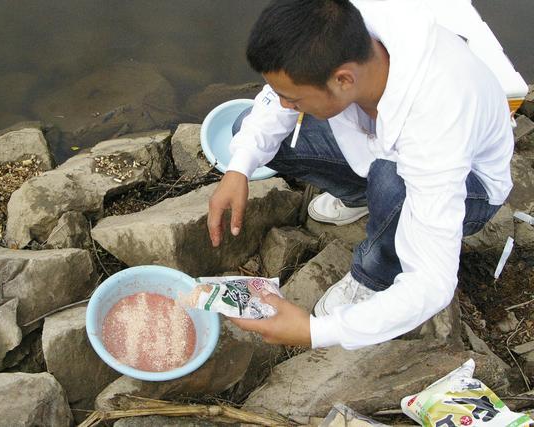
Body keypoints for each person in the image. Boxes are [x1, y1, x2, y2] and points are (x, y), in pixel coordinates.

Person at [206, 0, 513, 349]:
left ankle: (375, 275)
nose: (285, 104)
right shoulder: (348, 27)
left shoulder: (437, 118)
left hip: (472, 186)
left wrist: (316, 332)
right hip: (382, 153)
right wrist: (238, 168)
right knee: (247, 128)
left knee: (391, 182)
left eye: (292, 98)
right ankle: (360, 197)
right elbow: (277, 101)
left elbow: (432, 281)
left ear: (343, 80)